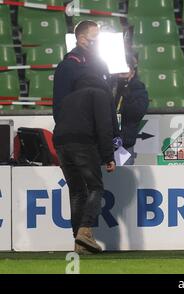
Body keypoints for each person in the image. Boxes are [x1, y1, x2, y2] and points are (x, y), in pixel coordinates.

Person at [53, 74, 117, 254]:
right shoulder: (99, 94)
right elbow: (104, 127)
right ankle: (85, 231)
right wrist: (108, 156)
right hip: (82, 142)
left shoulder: (68, 98)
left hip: (60, 143)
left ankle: (79, 242)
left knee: (76, 192)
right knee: (95, 186)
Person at [53, 20, 110, 122]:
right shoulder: (67, 66)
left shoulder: (101, 64)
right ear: (82, 39)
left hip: (103, 129)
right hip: (80, 132)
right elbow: (60, 108)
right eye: (95, 36)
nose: (98, 40)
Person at [113, 54, 149, 165]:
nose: (121, 76)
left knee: (125, 178)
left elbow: (137, 112)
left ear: (132, 73)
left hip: (124, 145)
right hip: (105, 143)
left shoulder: (138, 89)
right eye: (119, 72)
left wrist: (126, 94)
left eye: (124, 72)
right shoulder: (110, 88)